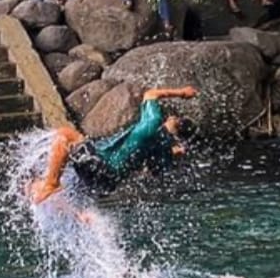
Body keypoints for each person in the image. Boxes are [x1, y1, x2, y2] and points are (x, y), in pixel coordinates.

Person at [31, 86, 198, 203]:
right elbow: (152, 170)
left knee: (66, 135)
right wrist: (173, 154)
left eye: (172, 117)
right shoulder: (165, 151)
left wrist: (182, 92)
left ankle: (51, 184)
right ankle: (80, 215)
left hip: (100, 164)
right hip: (107, 184)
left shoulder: (153, 122)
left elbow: (151, 94)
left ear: (173, 119)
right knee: (58, 183)